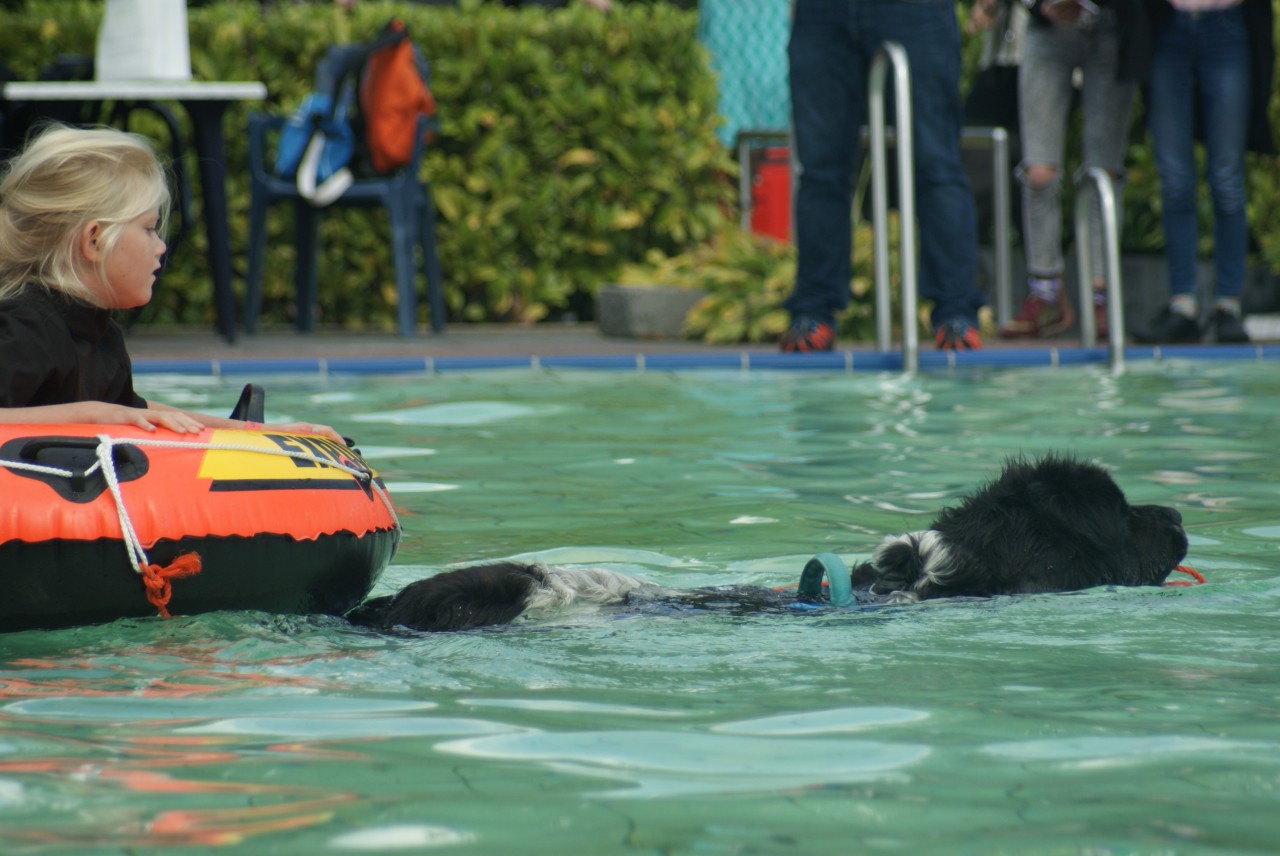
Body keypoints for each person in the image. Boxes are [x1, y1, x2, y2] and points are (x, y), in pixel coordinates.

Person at [0, 123, 340, 440]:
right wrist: (93, 414)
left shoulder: (99, 335)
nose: (161, 246)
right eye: (149, 228)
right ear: (94, 240)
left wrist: (259, 432)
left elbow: (136, 411)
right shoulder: (24, 331)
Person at [779, 0, 986, 353]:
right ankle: (814, 310)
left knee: (936, 163)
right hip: (822, 12)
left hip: (915, 9)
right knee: (820, 171)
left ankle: (956, 311)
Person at [999, 0, 1148, 340]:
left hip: (1111, 26)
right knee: (1038, 172)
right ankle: (1046, 291)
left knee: (1102, 173)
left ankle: (1100, 293)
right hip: (1049, 29)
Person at [1134, 0, 1275, 344]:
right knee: (1175, 183)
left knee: (1227, 179)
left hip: (1228, 26)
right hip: (1168, 26)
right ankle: (1182, 305)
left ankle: (1228, 305)